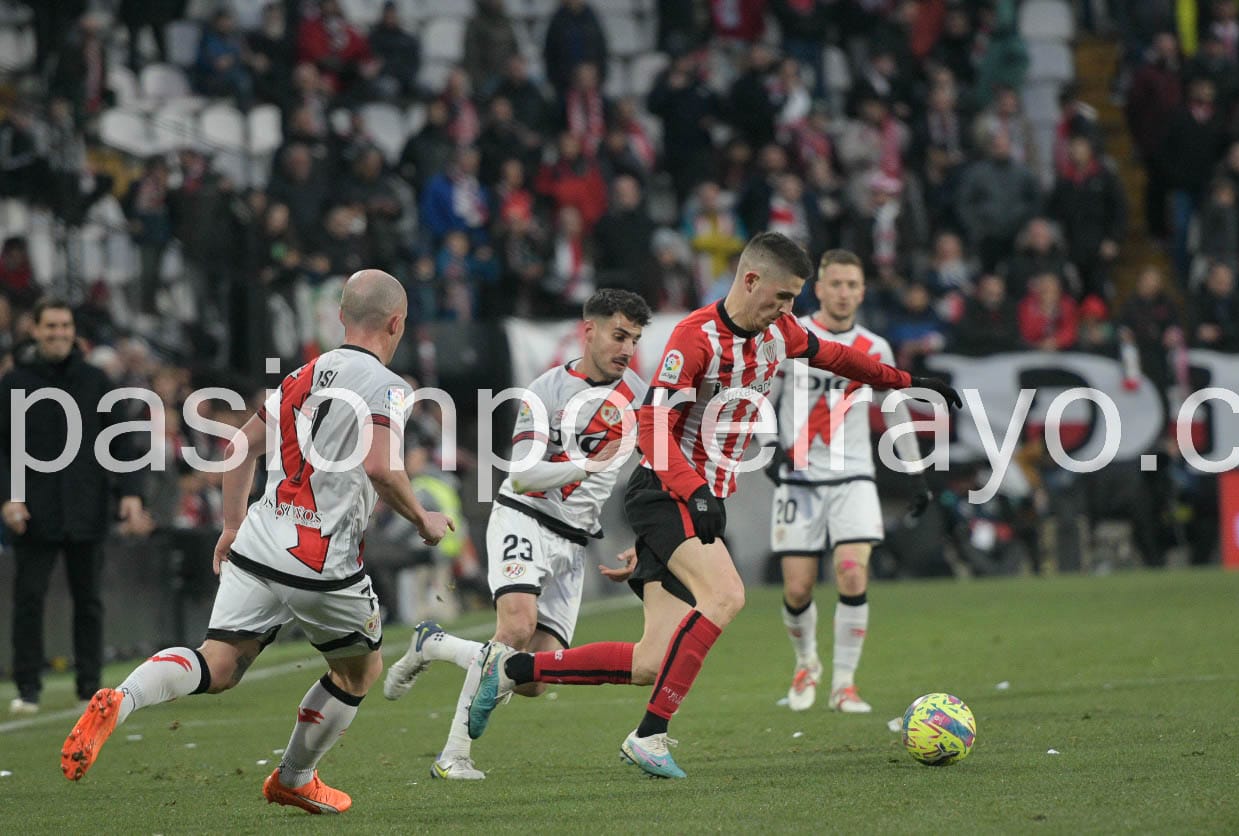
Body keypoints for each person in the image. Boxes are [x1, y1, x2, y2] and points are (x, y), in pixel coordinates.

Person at [465, 232, 961, 779]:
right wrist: (693, 490)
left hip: (700, 500)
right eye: (782, 297)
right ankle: (650, 736)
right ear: (749, 281)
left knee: (652, 661)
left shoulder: (783, 331)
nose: (789, 310)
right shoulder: (693, 338)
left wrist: (907, 382)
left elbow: (842, 358)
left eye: (795, 299)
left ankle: (514, 667)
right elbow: (654, 426)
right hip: (667, 491)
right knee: (726, 595)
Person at [60, 271, 455, 816]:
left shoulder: (301, 374)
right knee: (360, 671)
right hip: (321, 560)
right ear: (397, 324)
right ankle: (294, 777)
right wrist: (423, 518)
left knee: (216, 663)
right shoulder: (389, 386)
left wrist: (229, 526)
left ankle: (122, 698)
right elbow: (382, 467)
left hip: (260, 541)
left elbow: (238, 449)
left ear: (340, 317)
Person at [377, 289, 651, 781]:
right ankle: (453, 755)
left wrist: (645, 539)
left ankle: (433, 645)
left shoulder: (637, 396)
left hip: (573, 541)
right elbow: (523, 475)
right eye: (618, 335)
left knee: (533, 678)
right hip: (524, 515)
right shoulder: (544, 391)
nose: (627, 348)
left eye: (633, 338)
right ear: (588, 330)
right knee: (515, 628)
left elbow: (652, 471)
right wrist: (588, 464)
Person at [763, 250, 931, 714]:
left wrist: (917, 475)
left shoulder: (875, 347)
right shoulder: (790, 334)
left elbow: (895, 409)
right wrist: (766, 449)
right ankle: (806, 663)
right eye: (834, 283)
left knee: (853, 573)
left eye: (852, 285)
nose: (843, 293)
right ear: (819, 288)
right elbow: (762, 396)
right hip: (798, 476)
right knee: (797, 588)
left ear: (862, 291)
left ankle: (845, 684)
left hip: (854, 473)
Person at [2, 300, 149, 714]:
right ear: (34, 329)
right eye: (50, 326)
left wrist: (131, 493)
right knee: (28, 599)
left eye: (64, 325)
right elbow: (3, 449)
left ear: (73, 330)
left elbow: (122, 440)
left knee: (89, 600)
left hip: (86, 505)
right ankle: (28, 688)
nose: (58, 333)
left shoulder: (96, 380)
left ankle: (89, 686)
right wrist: (8, 497)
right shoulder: (13, 382)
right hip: (34, 509)